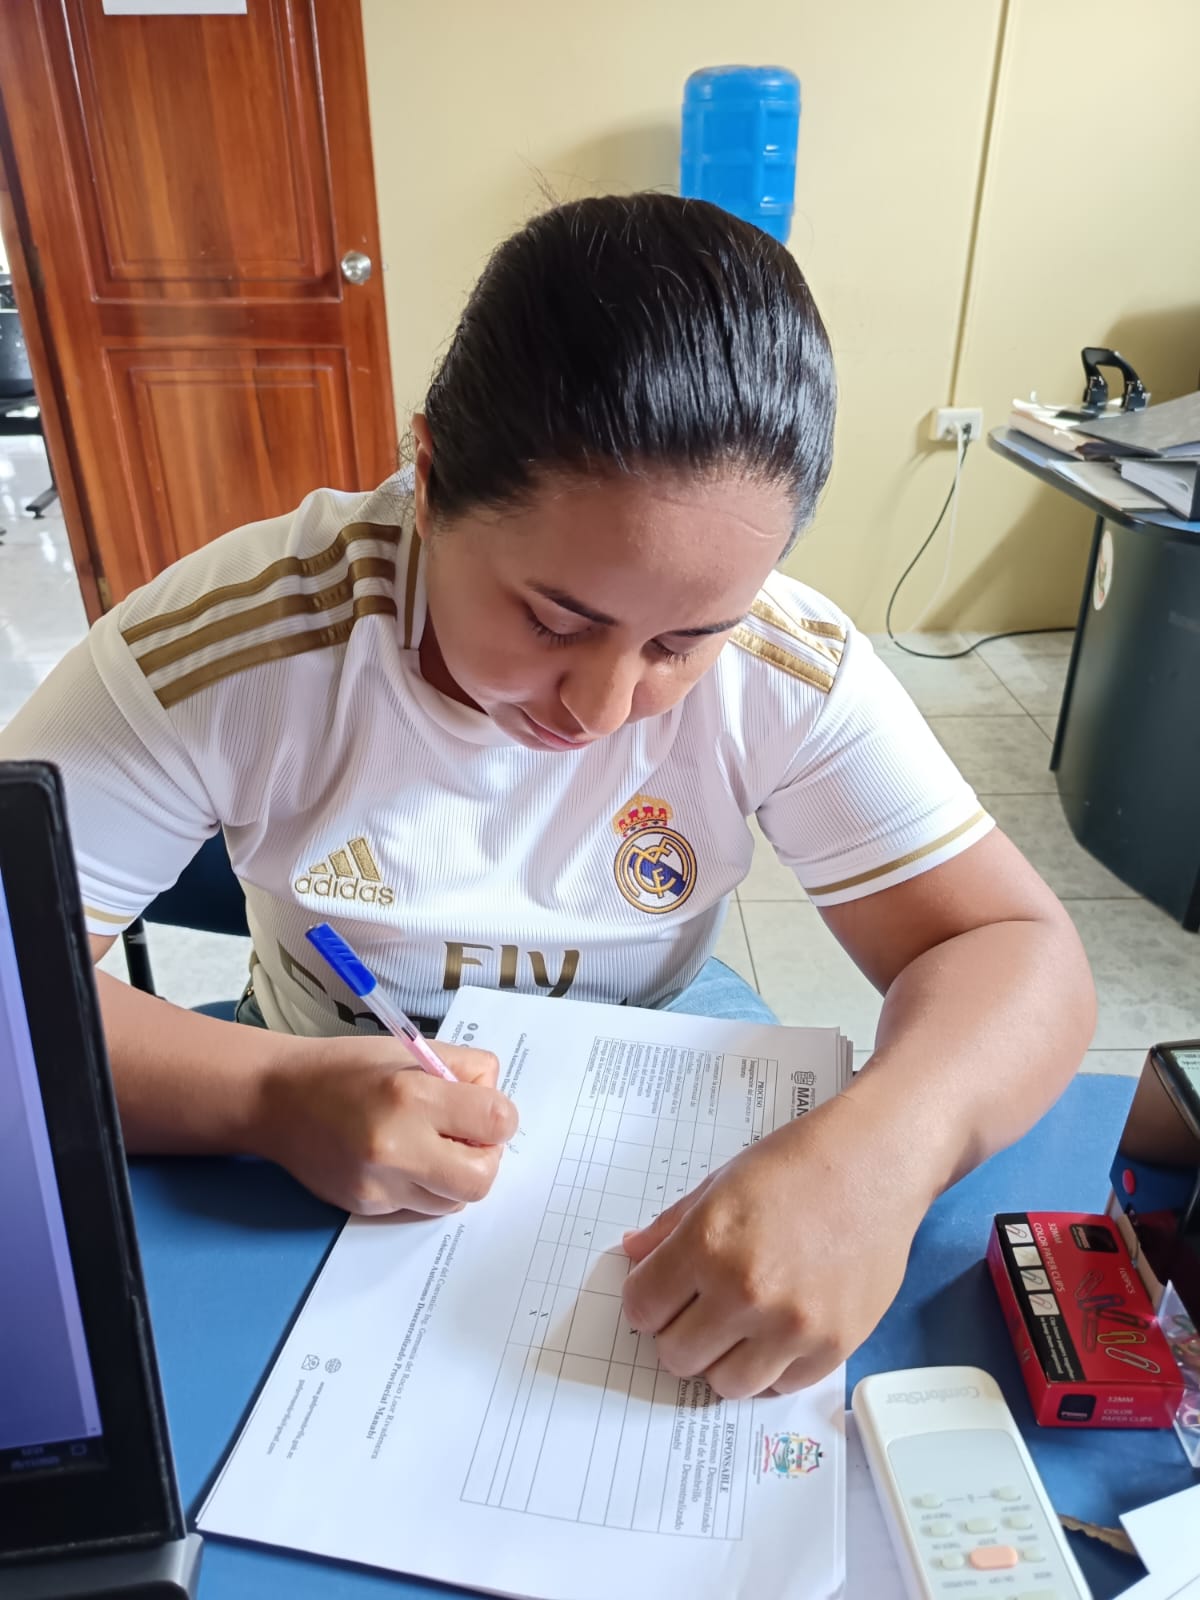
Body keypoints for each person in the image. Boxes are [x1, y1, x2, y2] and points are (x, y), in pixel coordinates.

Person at [0, 193, 1095, 1401]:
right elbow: (9, 988)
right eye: (554, 620)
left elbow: (1017, 948)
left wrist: (884, 1156)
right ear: (429, 481)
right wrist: (264, 1096)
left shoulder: (782, 663)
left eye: (682, 641)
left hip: (658, 1056)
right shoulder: (241, 651)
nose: (605, 707)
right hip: (320, 1071)